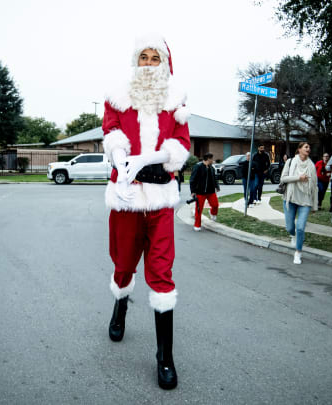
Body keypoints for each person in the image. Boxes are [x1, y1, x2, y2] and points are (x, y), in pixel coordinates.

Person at [101, 34, 190, 390]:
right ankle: (120, 304)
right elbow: (111, 133)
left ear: (164, 64)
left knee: (161, 270)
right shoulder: (117, 97)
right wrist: (124, 161)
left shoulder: (176, 101)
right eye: (144, 57)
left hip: (160, 196)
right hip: (125, 195)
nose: (149, 64)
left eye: (155, 58)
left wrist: (151, 158)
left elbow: (181, 144)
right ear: (136, 61)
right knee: (123, 263)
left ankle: (164, 357)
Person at [280, 142, 318, 264]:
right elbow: (283, 178)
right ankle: (293, 235)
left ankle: (298, 253)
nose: (309, 149)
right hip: (290, 199)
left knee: (300, 228)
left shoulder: (311, 166)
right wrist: (298, 178)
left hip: (305, 201)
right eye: (306, 147)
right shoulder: (290, 162)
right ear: (299, 149)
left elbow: (314, 187)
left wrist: (315, 205)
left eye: (309, 147)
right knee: (290, 227)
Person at [189, 153, 220, 231]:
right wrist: (193, 191)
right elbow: (192, 179)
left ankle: (212, 213)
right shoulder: (198, 167)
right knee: (199, 209)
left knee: (215, 205)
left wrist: (217, 187)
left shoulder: (211, 168)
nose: (213, 160)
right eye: (212, 159)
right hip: (200, 192)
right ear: (208, 159)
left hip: (211, 191)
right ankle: (197, 225)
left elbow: (214, 178)